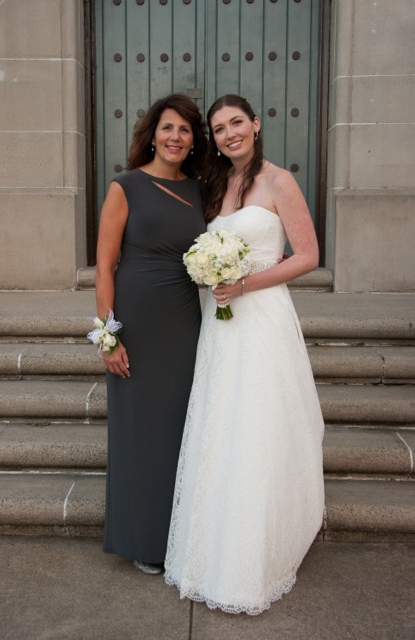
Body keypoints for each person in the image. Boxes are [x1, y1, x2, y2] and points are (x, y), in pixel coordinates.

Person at [164, 95, 325, 614]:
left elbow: (308, 256)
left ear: (255, 124)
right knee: (221, 426)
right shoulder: (214, 184)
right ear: (212, 139)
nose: (229, 133)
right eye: (219, 128)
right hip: (221, 324)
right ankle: (212, 549)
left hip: (261, 317)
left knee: (257, 425)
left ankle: (253, 557)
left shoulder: (279, 181)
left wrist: (245, 283)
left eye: (237, 122)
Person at [94, 94, 207, 574]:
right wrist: (108, 336)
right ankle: (143, 540)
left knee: (179, 429)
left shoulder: (202, 190)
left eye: (184, 129)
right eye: (167, 128)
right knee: (140, 433)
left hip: (184, 322)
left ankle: (180, 535)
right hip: (136, 321)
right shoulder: (126, 186)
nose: (175, 137)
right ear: (153, 134)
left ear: (193, 139)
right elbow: (105, 266)